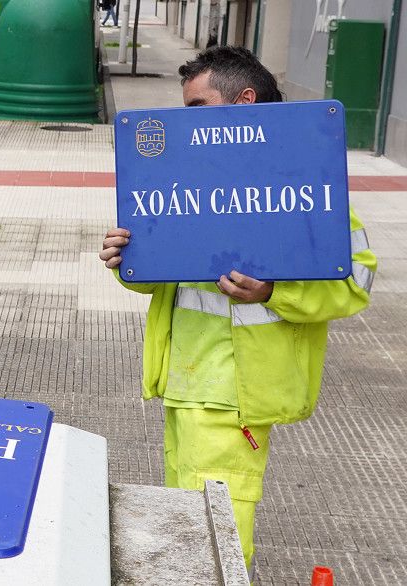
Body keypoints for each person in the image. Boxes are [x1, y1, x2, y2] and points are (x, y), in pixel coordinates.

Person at [98, 46, 377, 574]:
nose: (187, 124)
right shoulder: (189, 180)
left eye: (197, 108)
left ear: (244, 101)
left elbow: (356, 282)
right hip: (184, 386)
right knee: (187, 534)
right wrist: (127, 258)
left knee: (216, 543)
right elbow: (171, 282)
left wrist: (275, 292)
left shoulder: (303, 182)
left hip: (234, 396)